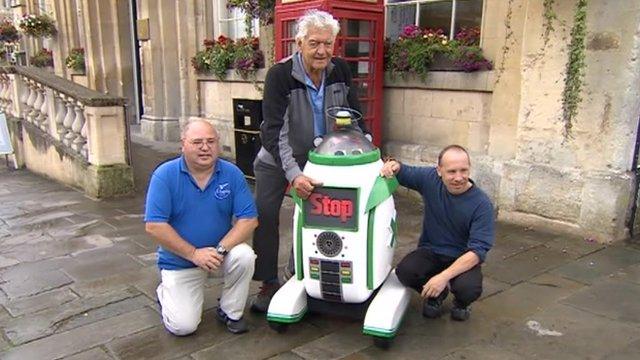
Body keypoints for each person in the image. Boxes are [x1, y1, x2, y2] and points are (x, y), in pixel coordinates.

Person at [250, 9, 367, 312]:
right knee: (265, 215)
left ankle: (296, 275)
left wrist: (368, 155)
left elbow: (354, 118)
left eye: (328, 44)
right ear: (299, 43)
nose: (322, 51)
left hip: (319, 158)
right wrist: (294, 175)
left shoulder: (340, 70)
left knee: (313, 217)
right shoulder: (280, 75)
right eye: (314, 43)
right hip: (276, 158)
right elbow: (276, 132)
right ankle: (267, 282)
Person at [144, 119, 258, 335]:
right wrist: (193, 253)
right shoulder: (165, 175)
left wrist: (221, 249)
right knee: (182, 327)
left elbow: (249, 220)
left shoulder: (231, 173)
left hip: (219, 255)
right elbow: (154, 226)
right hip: (180, 261)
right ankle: (164, 293)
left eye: (211, 141)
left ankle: (230, 311)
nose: (205, 147)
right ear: (183, 144)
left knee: (244, 256)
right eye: (197, 142)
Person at [380, 145, 495, 321]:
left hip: (463, 257)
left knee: (469, 289)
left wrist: (443, 277)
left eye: (464, 170)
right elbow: (403, 171)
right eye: (451, 171)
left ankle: (461, 303)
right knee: (405, 272)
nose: (459, 177)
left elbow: (477, 253)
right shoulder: (430, 179)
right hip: (431, 250)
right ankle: (437, 296)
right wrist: (393, 165)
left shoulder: (482, 205)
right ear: (439, 171)